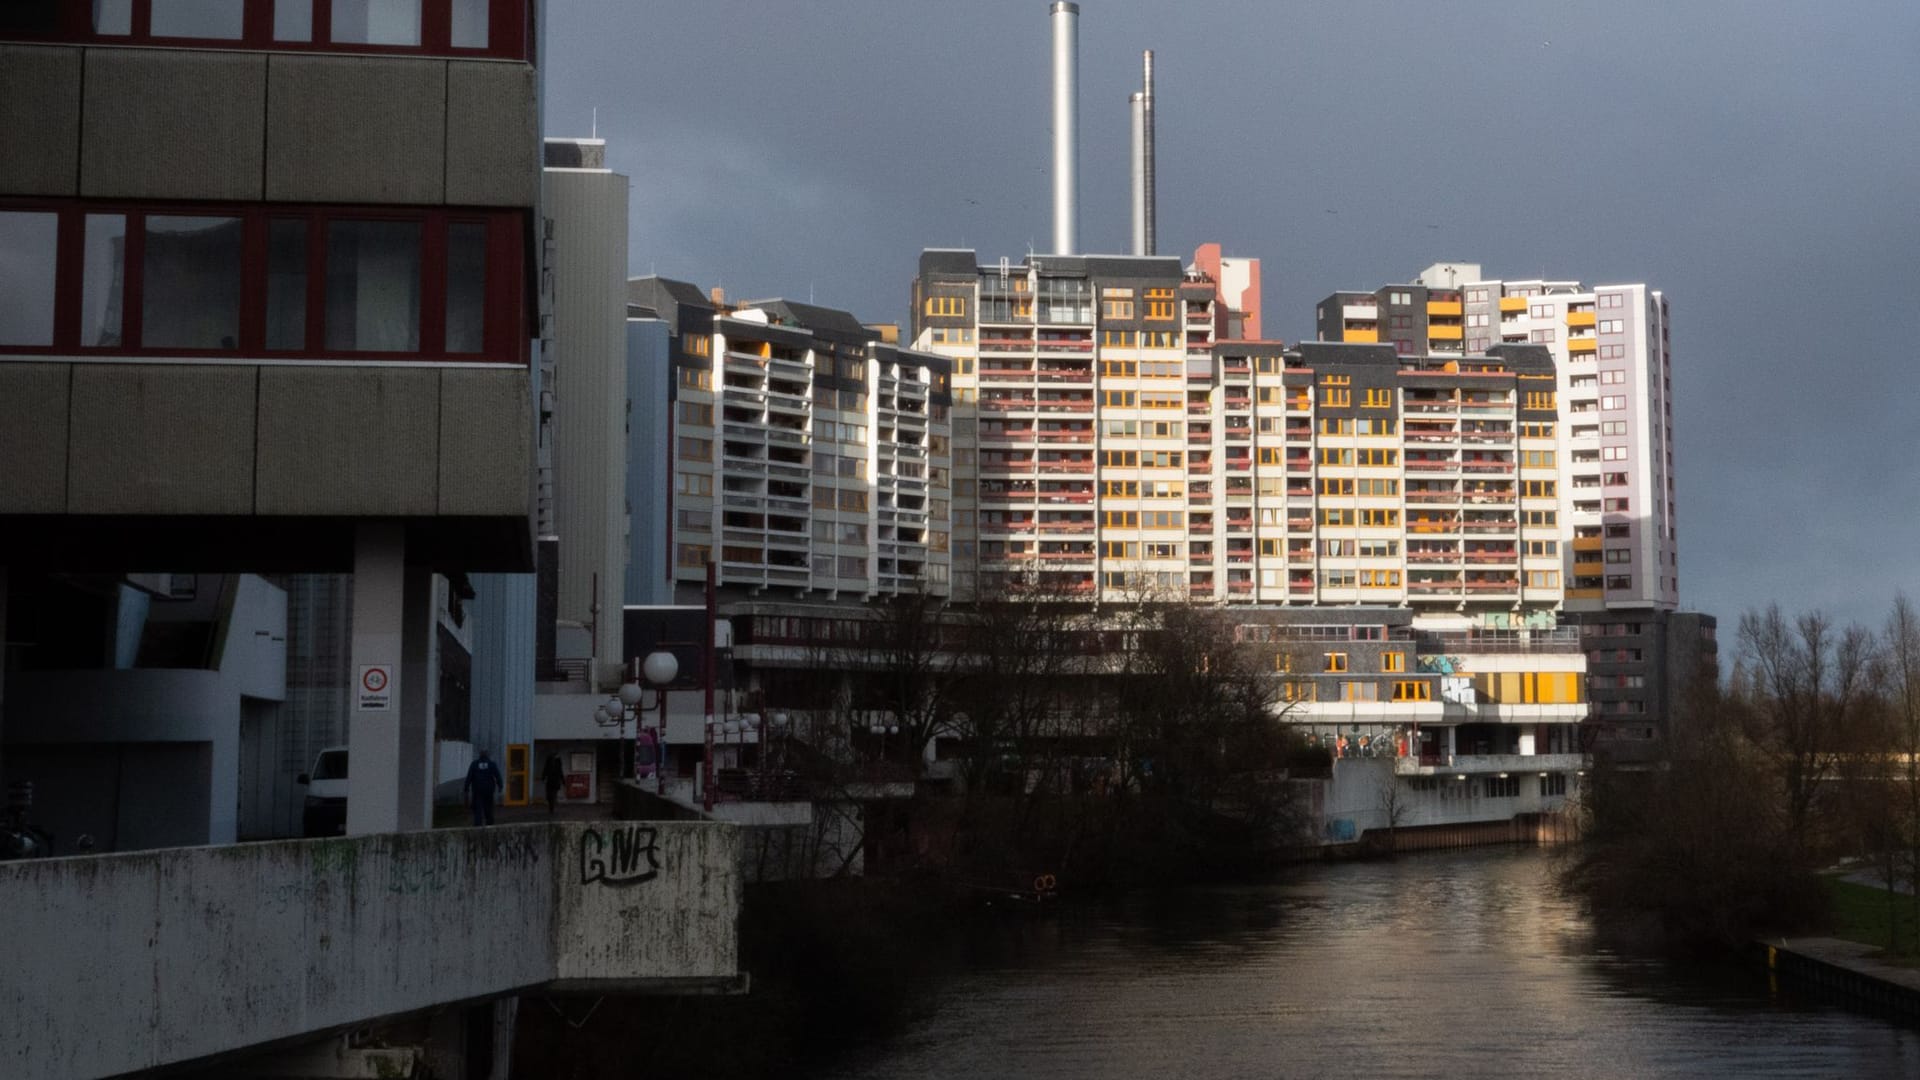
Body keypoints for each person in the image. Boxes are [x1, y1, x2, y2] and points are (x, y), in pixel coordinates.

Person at [464, 748, 503, 827]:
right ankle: (490, 825)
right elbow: (497, 776)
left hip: (478, 790)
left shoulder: (474, 764)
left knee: (478, 808)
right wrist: (500, 786)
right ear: (487, 755)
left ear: (480, 755)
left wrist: (466, 788)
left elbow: (469, 777)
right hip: (489, 790)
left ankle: (478, 826)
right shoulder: (492, 764)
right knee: (488, 807)